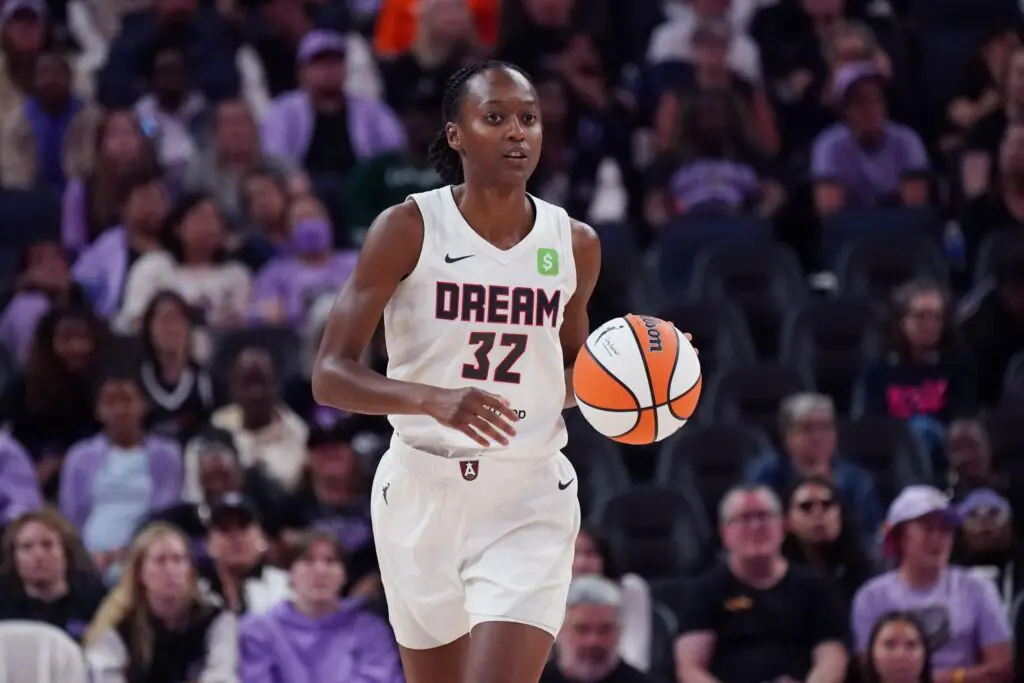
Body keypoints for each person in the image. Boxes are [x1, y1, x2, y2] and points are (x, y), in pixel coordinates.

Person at [312, 59, 624, 683]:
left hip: (526, 495)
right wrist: (433, 399)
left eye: (529, 119)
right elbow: (330, 375)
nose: (518, 132)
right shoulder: (408, 228)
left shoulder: (575, 243)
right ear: (456, 134)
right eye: (496, 117)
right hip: (419, 492)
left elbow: (569, 378)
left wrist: (640, 384)